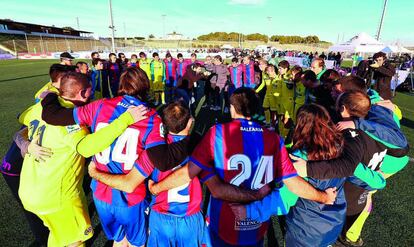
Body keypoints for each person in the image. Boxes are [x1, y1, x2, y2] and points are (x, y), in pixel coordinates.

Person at [148, 88, 337, 247]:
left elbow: (189, 172)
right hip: (255, 225)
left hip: (223, 223)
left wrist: (157, 187)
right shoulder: (274, 139)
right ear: (255, 109)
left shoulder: (217, 133)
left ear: (231, 109)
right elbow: (293, 182)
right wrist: (324, 197)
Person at [40, 67, 191, 246]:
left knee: (118, 241)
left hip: (101, 194)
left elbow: (52, 115)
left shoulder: (99, 105)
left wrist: (49, 95)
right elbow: (163, 161)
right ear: (145, 86)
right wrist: (187, 137)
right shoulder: (150, 117)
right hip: (130, 197)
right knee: (137, 243)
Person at [17, 72, 147, 247]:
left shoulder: (40, 107)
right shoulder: (72, 126)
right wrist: (125, 119)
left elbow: (22, 119)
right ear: (84, 93)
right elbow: (86, 148)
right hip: (57, 197)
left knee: (58, 235)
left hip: (29, 190)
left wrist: (25, 144)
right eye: (90, 91)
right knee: (76, 241)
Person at [87, 101, 212, 247]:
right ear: (190, 122)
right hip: (190, 217)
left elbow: (133, 179)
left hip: (161, 217)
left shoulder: (152, 151)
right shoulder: (201, 147)